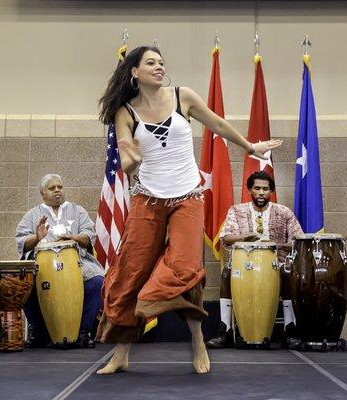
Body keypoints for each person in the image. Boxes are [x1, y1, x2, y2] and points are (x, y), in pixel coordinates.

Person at [95, 46, 282, 374]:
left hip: (187, 198)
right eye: (151, 63)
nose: (159, 67)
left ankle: (196, 340)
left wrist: (251, 147)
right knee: (129, 272)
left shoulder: (184, 97)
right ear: (134, 72)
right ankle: (122, 353)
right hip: (147, 200)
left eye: (161, 62)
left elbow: (219, 125)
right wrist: (132, 159)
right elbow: (126, 159)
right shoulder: (125, 112)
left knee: (185, 270)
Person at [205, 170, 304, 349]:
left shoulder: (284, 212)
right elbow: (225, 238)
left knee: (289, 274)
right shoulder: (237, 210)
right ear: (250, 190)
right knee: (227, 273)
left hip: (277, 263)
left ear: (271, 191)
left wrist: (278, 245)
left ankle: (290, 331)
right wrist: (244, 237)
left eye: (265, 189)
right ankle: (224, 330)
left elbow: (299, 242)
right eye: (257, 188)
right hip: (244, 264)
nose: (261, 192)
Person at [15, 174, 104, 349]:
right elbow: (22, 241)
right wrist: (37, 237)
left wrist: (73, 236)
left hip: (77, 263)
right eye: (52, 188)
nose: (57, 190)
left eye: (60, 187)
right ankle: (39, 332)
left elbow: (90, 237)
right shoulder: (32, 215)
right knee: (22, 284)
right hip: (43, 267)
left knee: (97, 282)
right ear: (43, 193)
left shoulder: (77, 211)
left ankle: (83, 332)